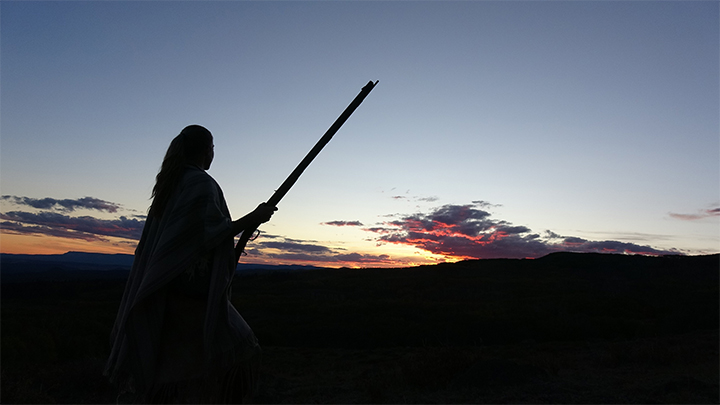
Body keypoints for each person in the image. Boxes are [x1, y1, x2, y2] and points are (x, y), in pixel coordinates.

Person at [104, 125, 275, 403]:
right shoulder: (200, 184)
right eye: (213, 148)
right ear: (208, 150)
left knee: (174, 368)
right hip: (188, 293)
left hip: (165, 286)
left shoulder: (171, 185)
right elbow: (211, 234)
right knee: (240, 349)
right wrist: (254, 218)